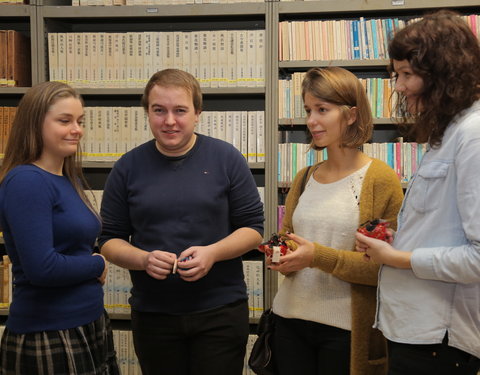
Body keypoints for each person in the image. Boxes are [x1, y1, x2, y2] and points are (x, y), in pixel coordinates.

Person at [98, 68, 264, 375]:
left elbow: (254, 229)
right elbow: (108, 239)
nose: (169, 121)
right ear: (147, 112)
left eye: (180, 111)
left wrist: (212, 253)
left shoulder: (227, 159)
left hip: (221, 313)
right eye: (159, 110)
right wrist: (143, 259)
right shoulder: (127, 167)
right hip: (153, 315)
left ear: (198, 113)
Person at [355, 10, 480, 375]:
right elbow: (445, 226)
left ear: (442, 74)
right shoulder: (450, 132)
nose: (397, 87)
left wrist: (398, 258)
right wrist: (400, 242)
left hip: (438, 340)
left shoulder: (472, 136)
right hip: (416, 331)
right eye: (398, 74)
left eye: (407, 75)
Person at [268, 66, 404, 375]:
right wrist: (281, 255)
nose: (311, 120)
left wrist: (316, 256)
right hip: (289, 320)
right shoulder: (304, 178)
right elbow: (287, 238)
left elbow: (382, 268)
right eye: (308, 110)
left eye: (322, 109)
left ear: (352, 114)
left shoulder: (379, 179)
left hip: (346, 331)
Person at [0, 81, 119, 374]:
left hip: (88, 322)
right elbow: (43, 268)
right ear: (34, 123)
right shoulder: (27, 182)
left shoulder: (68, 178)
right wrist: (97, 263)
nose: (76, 129)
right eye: (64, 121)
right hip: (49, 330)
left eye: (80, 121)